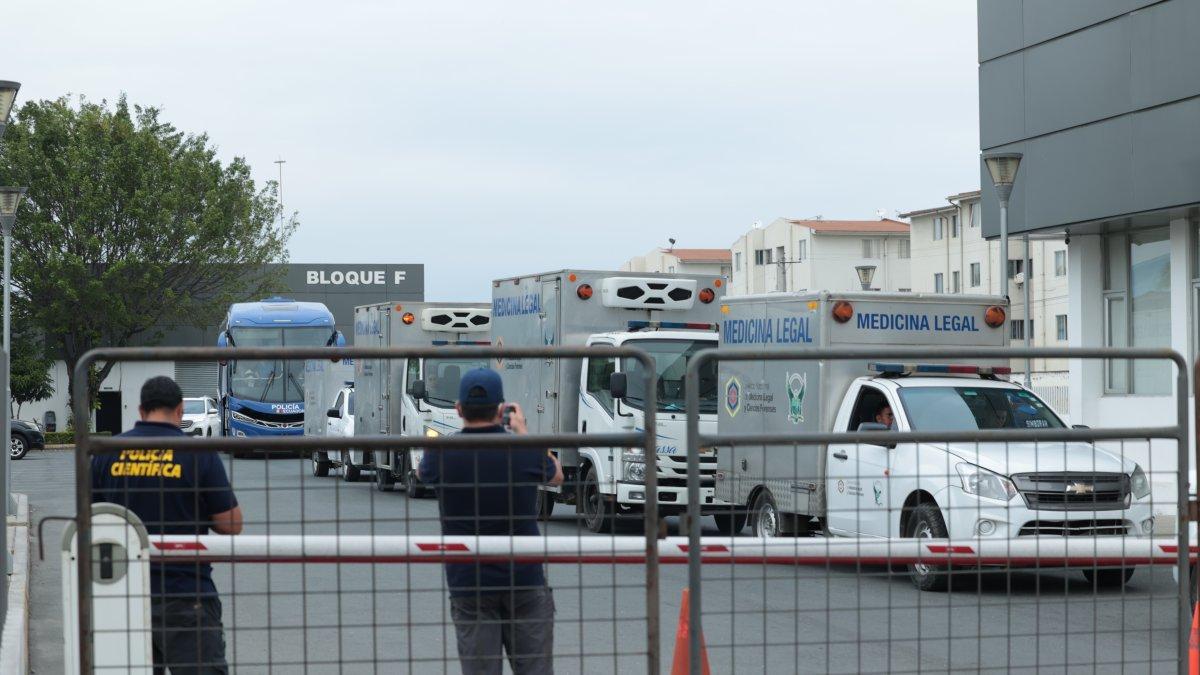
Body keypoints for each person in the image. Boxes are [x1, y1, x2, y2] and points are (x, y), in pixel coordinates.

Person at [92, 376, 243, 674]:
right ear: (180, 410)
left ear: (140, 410)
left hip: (123, 594)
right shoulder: (198, 454)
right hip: (186, 594)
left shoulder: (106, 453)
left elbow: (92, 520)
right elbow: (231, 525)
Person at [419, 368, 564, 675]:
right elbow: (557, 475)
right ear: (502, 410)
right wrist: (523, 432)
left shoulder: (441, 452)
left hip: (468, 584)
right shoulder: (522, 451)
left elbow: (422, 474)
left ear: (458, 409)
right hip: (524, 579)